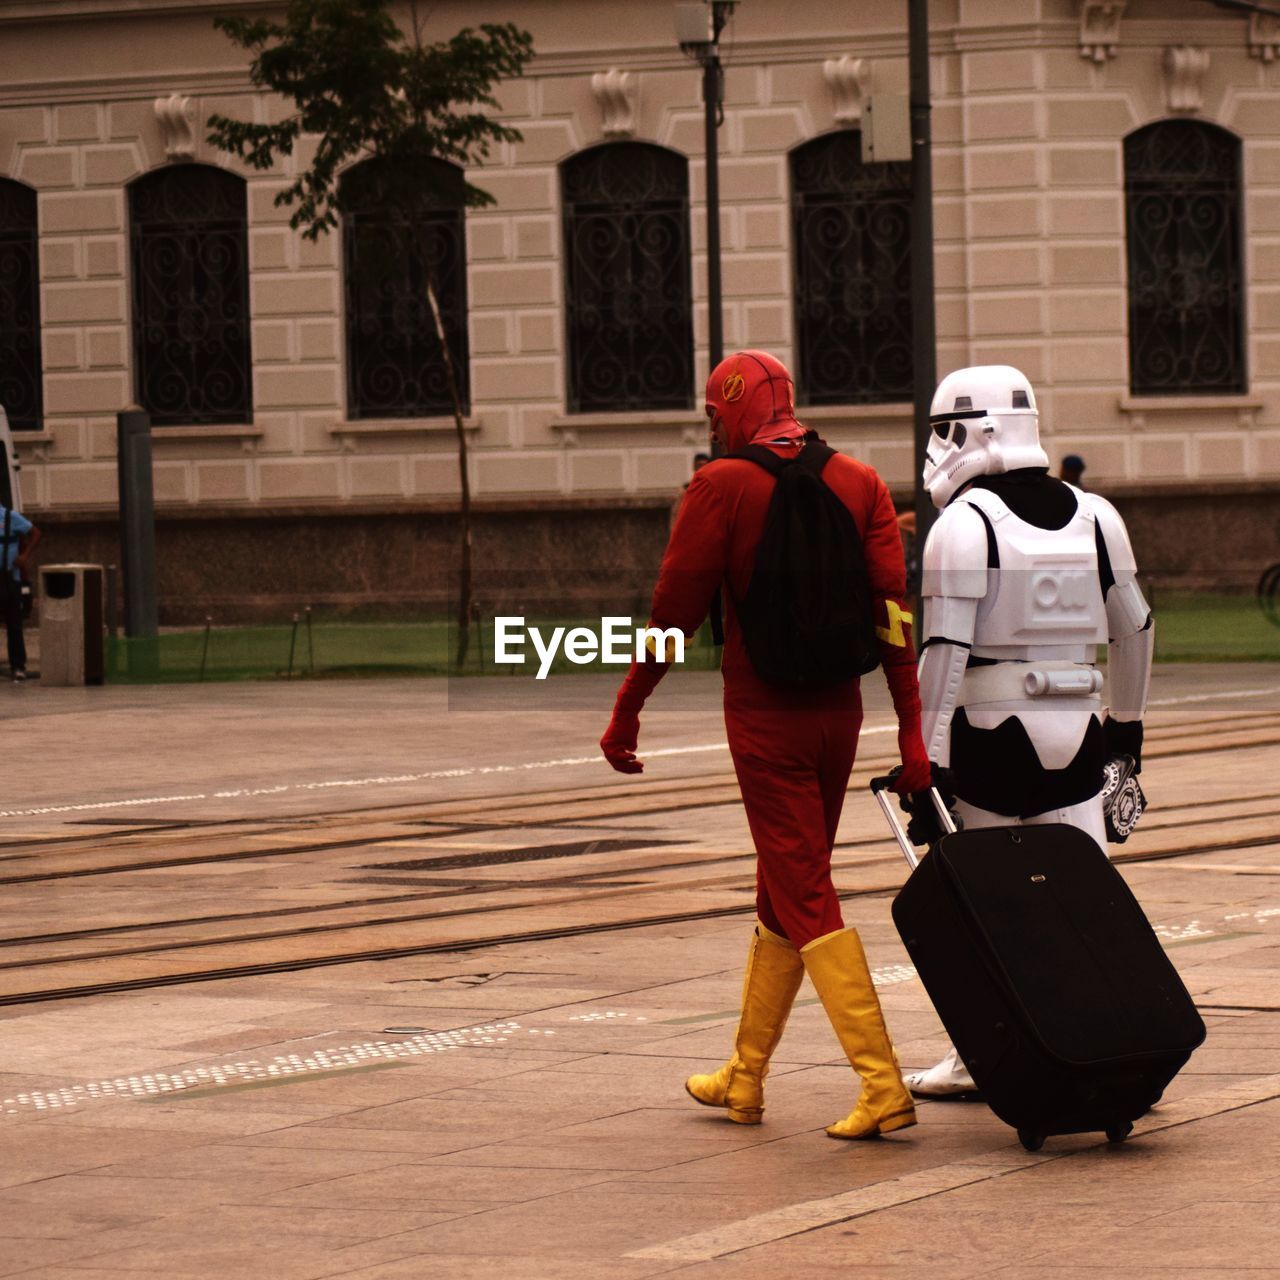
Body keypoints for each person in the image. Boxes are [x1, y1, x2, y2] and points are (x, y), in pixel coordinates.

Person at [600, 350, 931, 1140]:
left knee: (806, 890)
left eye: (714, 413)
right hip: (838, 718)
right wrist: (911, 729)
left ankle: (882, 1084)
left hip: (763, 718)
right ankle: (744, 1079)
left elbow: (671, 616)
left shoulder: (719, 488)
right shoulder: (861, 483)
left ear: (740, 406)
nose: (711, 427)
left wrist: (627, 712)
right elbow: (894, 617)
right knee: (783, 884)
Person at [903, 366, 1152, 1098]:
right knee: (1083, 908)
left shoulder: (964, 525)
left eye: (944, 431)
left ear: (976, 431)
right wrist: (1127, 731)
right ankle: (1102, 1039)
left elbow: (943, 655)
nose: (937, 450)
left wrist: (928, 762)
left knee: (982, 911)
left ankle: (979, 1056)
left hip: (986, 738)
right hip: (1079, 731)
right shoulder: (1096, 516)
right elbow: (1135, 627)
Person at [0, 502, 40, 682]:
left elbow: (35, 533)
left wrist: (24, 556)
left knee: (14, 623)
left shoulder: (9, 516)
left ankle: (18, 666)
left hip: (10, 578)